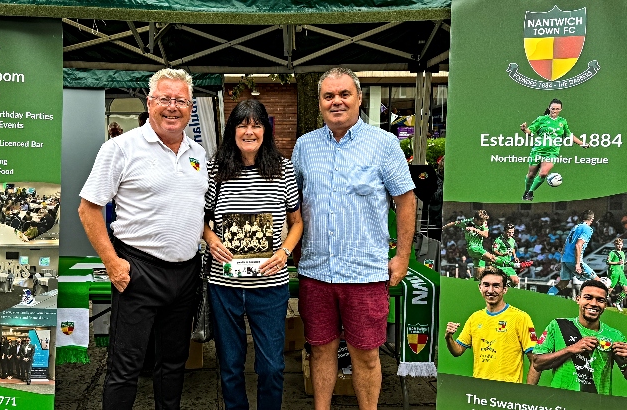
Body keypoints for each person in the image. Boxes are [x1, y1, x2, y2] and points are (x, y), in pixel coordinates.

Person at [79, 68, 208, 410]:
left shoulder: (198, 153)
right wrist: (113, 264)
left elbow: (197, 209)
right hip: (138, 271)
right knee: (126, 368)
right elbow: (88, 209)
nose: (172, 107)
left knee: (173, 366)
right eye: (164, 99)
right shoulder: (120, 148)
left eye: (180, 100)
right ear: (149, 103)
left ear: (190, 107)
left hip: (185, 275)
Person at [292, 67, 416, 410]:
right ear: (319, 103)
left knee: (366, 356)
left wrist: (402, 256)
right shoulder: (304, 146)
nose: (337, 102)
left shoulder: (384, 144)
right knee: (320, 350)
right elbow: (292, 202)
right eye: (328, 96)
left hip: (364, 273)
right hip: (317, 272)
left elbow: (406, 200)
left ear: (359, 98)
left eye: (344, 94)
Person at [203, 99, 303, 410]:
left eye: (256, 125)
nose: (249, 131)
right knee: (230, 367)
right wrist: (210, 239)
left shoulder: (284, 170)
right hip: (225, 286)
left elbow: (296, 222)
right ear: (232, 130)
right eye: (242, 124)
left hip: (269, 287)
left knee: (272, 367)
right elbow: (200, 218)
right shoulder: (214, 169)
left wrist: (285, 251)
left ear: (265, 131)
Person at [533, 279, 627, 394]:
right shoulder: (558, 326)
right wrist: (571, 349)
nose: (593, 303)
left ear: (605, 305)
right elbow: (537, 363)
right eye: (588, 297)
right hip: (560, 402)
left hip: (597, 404)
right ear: (578, 299)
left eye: (600, 300)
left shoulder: (615, 335)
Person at [445, 269, 538, 383]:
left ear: (505, 289)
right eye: (486, 285)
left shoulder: (521, 318)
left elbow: (535, 360)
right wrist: (448, 337)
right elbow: (457, 351)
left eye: (496, 286)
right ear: (480, 288)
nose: (490, 290)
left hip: (508, 394)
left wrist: (529, 392)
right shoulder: (475, 318)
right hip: (479, 392)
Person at [520, 98, 587, 201]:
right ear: (549, 108)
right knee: (531, 175)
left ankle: (530, 192)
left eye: (557, 109)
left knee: (543, 173)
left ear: (560, 109)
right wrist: (524, 129)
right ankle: (526, 191)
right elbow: (530, 131)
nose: (555, 111)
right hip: (538, 151)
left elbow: (569, 135)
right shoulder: (541, 119)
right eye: (553, 108)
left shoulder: (562, 122)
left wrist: (581, 143)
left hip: (552, 152)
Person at [552, 210, 597, 296]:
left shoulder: (575, 227)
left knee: (563, 283)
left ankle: (548, 297)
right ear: (592, 219)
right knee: (598, 281)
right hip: (574, 260)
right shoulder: (588, 229)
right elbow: (578, 245)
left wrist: (562, 262)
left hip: (565, 259)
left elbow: (565, 245)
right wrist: (577, 264)